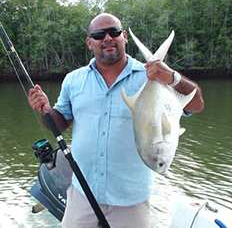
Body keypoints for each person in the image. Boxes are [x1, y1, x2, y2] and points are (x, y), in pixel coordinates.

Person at [28, 12, 204, 228]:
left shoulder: (150, 75)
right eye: (99, 34)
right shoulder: (74, 80)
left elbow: (196, 105)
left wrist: (172, 77)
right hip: (82, 194)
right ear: (89, 42)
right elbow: (60, 123)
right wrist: (45, 110)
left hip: (130, 201)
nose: (108, 38)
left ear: (124, 38)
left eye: (114, 32)